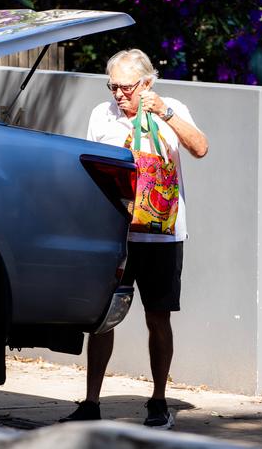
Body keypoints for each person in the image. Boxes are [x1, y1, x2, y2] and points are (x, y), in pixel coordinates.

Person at [60, 49, 208, 429]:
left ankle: (158, 401)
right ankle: (91, 402)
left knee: (158, 317)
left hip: (162, 234)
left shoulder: (171, 106)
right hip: (115, 233)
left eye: (126, 87)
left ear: (147, 83)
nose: (119, 95)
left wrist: (164, 113)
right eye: (113, 87)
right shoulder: (101, 114)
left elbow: (200, 148)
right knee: (102, 319)